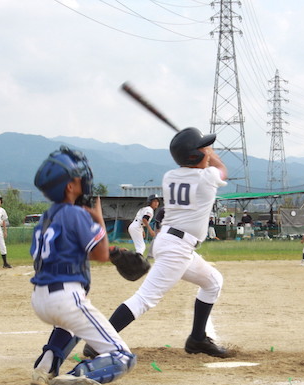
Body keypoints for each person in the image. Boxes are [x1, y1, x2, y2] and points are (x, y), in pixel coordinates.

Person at [83, 127, 231, 359]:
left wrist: (203, 152)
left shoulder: (170, 176)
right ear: (195, 156)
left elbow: (199, 167)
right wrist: (213, 156)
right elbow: (222, 170)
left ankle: (197, 338)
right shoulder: (207, 178)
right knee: (145, 299)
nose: (207, 151)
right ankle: (100, 341)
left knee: (213, 281)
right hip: (176, 248)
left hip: (171, 242)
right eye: (203, 148)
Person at [29, 146, 136, 385]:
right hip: (66, 298)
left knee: (74, 325)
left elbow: (65, 252)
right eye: (78, 178)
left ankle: (45, 367)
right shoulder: (75, 213)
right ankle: (75, 376)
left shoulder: (44, 219)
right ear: (69, 186)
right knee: (122, 356)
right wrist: (98, 221)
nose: (83, 180)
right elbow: (100, 254)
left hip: (41, 298)